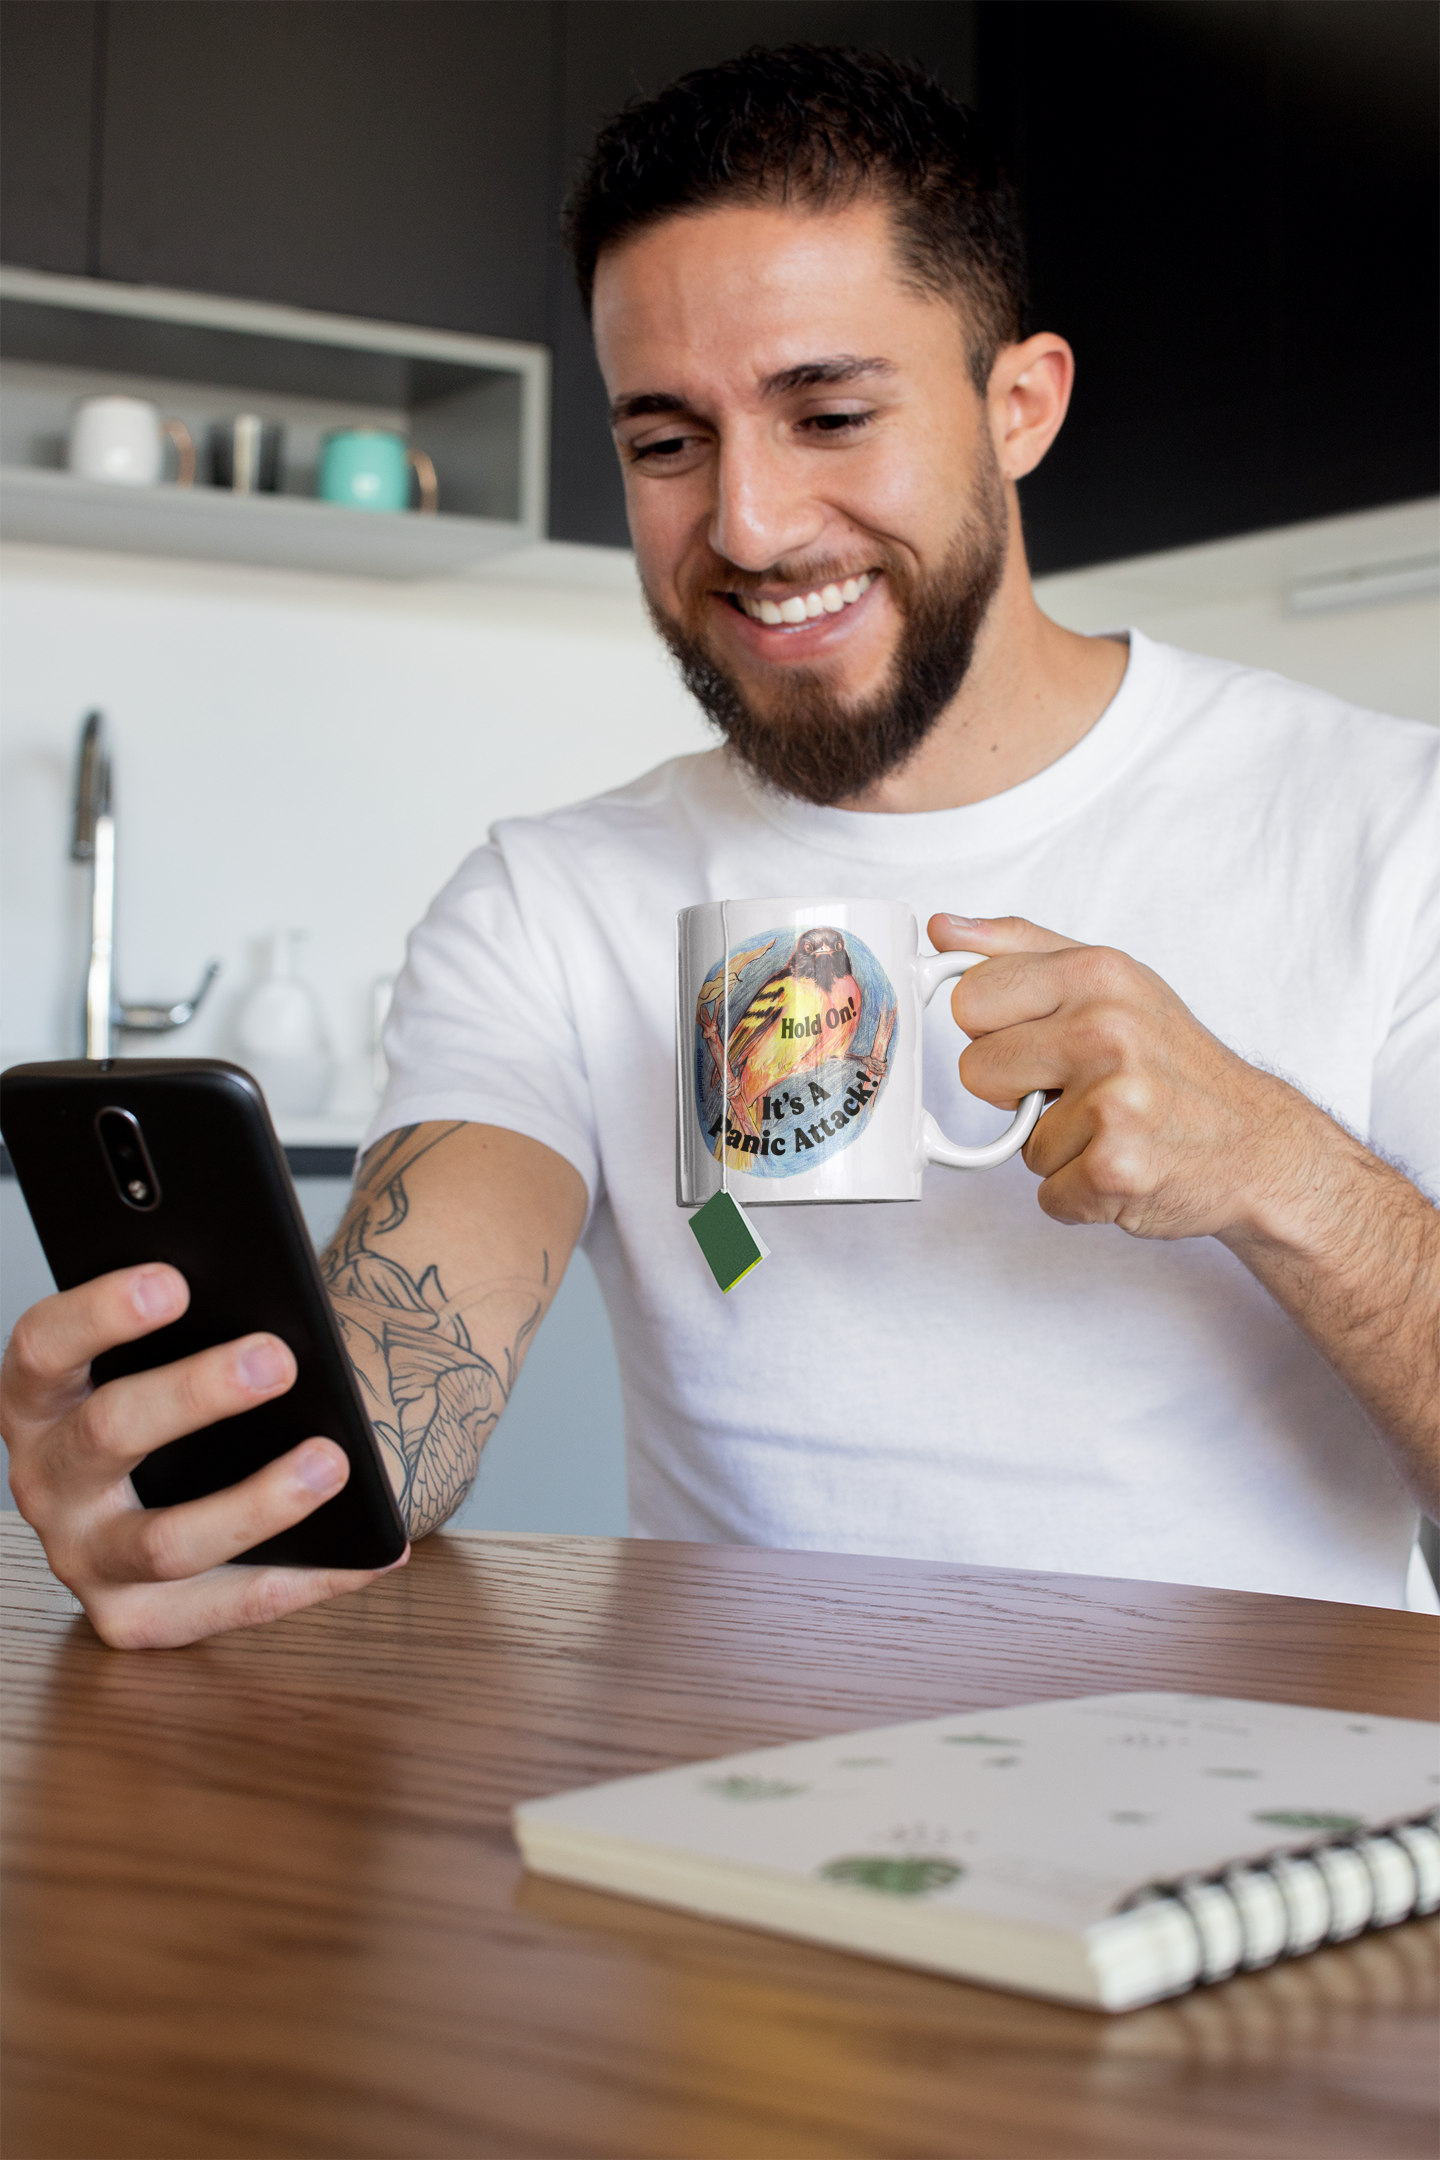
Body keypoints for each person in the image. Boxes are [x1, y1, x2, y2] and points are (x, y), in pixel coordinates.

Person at [3, 47, 1436, 1649]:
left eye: (829, 412)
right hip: (726, 1814)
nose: (747, 527)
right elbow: (426, 1329)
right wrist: (242, 1487)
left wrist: (1288, 1171)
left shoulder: (1388, 827)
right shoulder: (553, 902)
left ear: (1018, 405)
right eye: (668, 443)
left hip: (1266, 1850)